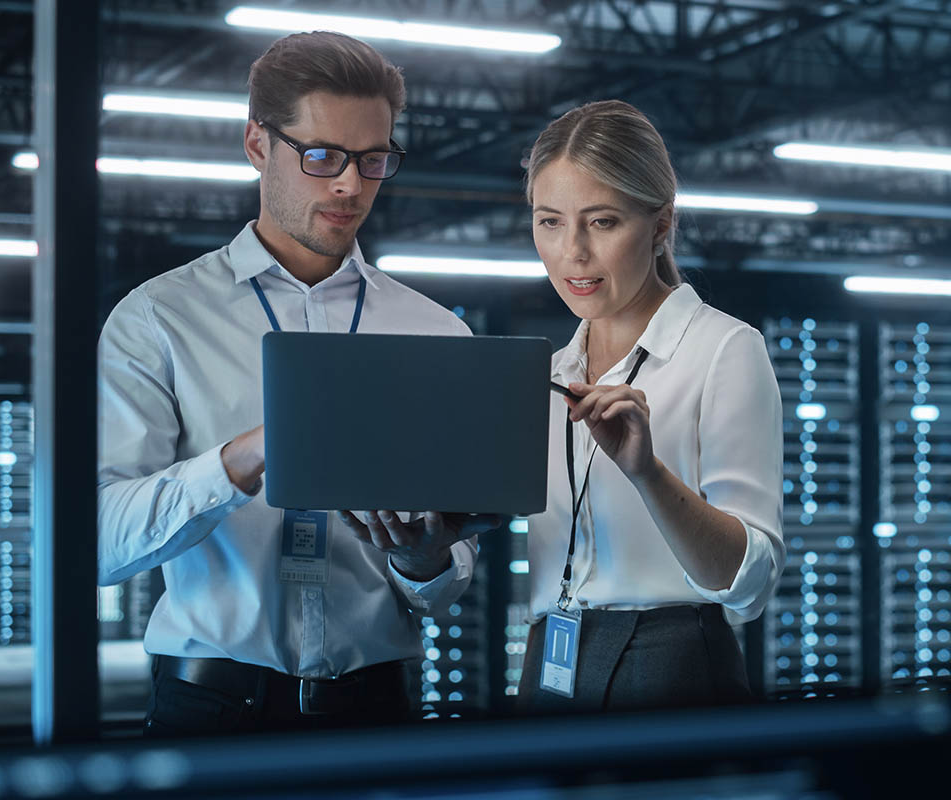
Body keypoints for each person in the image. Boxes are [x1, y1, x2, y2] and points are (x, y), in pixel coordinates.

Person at [97, 31, 496, 736]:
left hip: (377, 718)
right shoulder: (159, 319)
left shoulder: (435, 332)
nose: (349, 184)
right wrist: (242, 458)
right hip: (212, 715)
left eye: (373, 160)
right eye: (322, 156)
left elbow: (444, 589)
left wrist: (425, 559)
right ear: (257, 145)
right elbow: (95, 544)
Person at [518, 100, 785, 711]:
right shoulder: (551, 371)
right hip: (549, 662)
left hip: (673, 665)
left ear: (661, 224)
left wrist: (649, 474)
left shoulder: (724, 350)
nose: (572, 253)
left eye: (603, 221)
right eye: (550, 222)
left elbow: (749, 584)